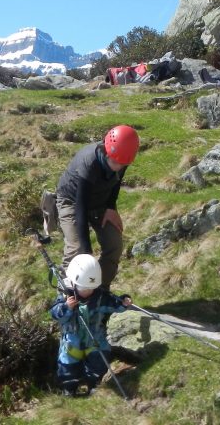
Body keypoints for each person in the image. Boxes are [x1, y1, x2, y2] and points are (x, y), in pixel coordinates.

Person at [55, 124, 138, 290]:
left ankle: (99, 291)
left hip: (100, 202)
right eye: (114, 162)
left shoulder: (123, 156)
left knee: (114, 244)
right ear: (107, 151)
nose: (118, 167)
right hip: (72, 201)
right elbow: (81, 206)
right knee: (76, 249)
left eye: (122, 164)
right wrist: (86, 251)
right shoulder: (89, 162)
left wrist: (110, 208)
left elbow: (115, 184)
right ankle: (67, 297)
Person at [50, 254, 132, 396]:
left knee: (99, 361)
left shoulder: (100, 296)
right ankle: (69, 389)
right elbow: (55, 314)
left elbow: (113, 302)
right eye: (84, 288)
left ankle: (94, 385)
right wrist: (66, 308)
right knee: (68, 365)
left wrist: (123, 302)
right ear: (73, 282)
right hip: (72, 341)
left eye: (91, 288)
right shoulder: (65, 297)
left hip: (95, 339)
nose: (88, 291)